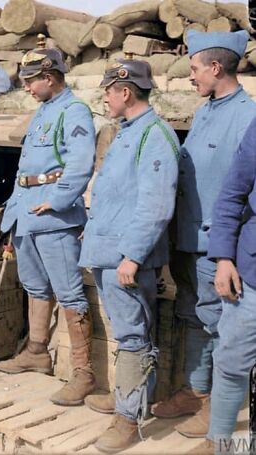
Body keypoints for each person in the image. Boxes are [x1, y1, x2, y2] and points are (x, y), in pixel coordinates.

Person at [151, 29, 256, 439]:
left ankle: (215, 406)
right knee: (193, 316)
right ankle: (195, 391)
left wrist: (222, 251)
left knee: (217, 323)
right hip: (187, 238)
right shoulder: (208, 109)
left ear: (216, 68)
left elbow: (238, 193)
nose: (190, 76)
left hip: (217, 244)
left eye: (194, 69)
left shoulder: (247, 116)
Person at [79, 55, 179, 453]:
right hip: (109, 252)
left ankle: (128, 417)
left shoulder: (155, 135)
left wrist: (133, 257)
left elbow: (155, 206)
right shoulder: (127, 131)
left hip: (125, 258)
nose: (104, 98)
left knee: (135, 334)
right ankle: (130, 394)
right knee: (127, 330)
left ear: (124, 92)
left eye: (108, 92)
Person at [0, 35, 97, 406]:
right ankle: (36, 352)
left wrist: (56, 201)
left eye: (31, 79)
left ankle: (83, 373)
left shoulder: (74, 111)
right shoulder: (44, 109)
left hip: (53, 215)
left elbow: (80, 164)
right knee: (35, 285)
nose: (26, 86)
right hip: (26, 210)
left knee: (69, 292)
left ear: (51, 76)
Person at [205, 117, 256, 448]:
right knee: (232, 362)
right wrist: (224, 258)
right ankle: (219, 442)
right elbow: (232, 194)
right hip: (251, 276)